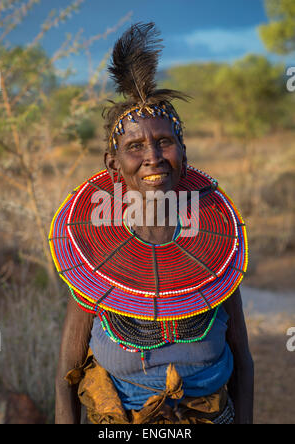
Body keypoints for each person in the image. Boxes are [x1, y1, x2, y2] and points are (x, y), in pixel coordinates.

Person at [50, 22, 254, 425]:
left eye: (164, 141)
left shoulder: (217, 246)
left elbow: (244, 364)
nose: (153, 156)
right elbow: (66, 376)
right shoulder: (95, 259)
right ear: (113, 165)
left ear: (183, 151)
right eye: (135, 146)